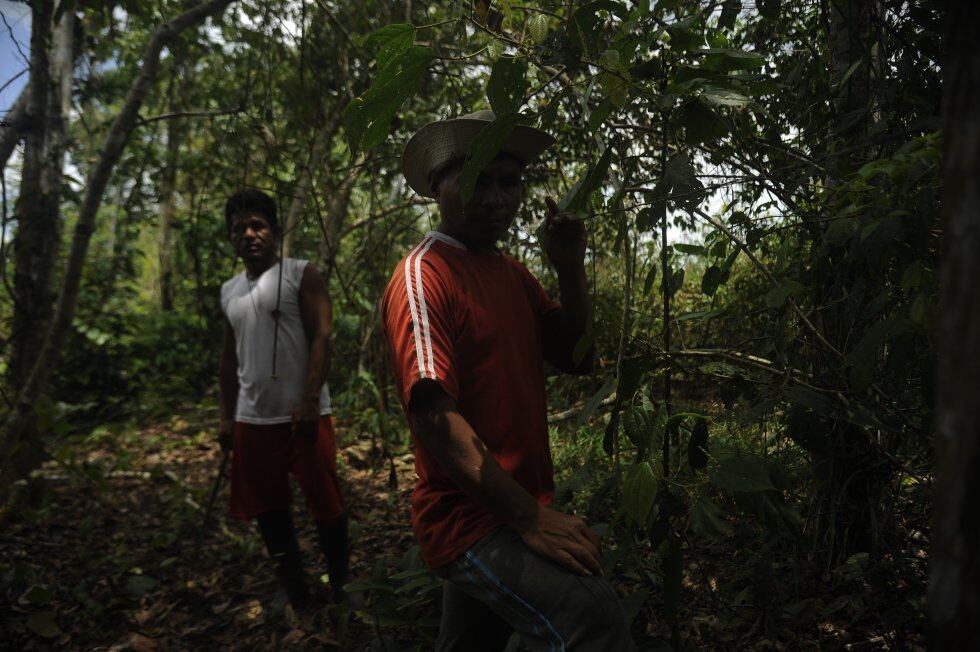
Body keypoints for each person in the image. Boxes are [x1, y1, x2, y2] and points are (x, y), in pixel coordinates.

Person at [381, 110, 635, 651]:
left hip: (510, 505)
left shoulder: (509, 272)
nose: (496, 200)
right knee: (590, 614)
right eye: (477, 182)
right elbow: (433, 417)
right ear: (437, 187)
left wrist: (570, 267)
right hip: (472, 518)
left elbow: (575, 356)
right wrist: (529, 519)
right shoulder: (424, 277)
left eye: (509, 182)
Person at [218, 188, 350, 610]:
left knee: (325, 503)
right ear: (230, 238)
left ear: (274, 231)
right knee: (268, 509)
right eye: (239, 228)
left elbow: (323, 336)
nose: (249, 235)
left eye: (257, 226)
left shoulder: (301, 274)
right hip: (253, 419)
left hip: (303, 417)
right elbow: (227, 359)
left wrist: (310, 400)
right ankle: (294, 589)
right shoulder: (229, 291)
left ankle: (343, 588)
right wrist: (226, 418)